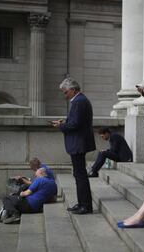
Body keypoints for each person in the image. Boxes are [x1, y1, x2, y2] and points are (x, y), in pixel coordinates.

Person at [52, 77, 96, 215]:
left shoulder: (78, 101)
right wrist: (65, 122)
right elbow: (76, 121)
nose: (64, 95)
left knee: (80, 175)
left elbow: (75, 124)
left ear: (73, 90)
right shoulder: (80, 100)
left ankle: (85, 206)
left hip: (78, 143)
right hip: (79, 142)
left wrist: (61, 125)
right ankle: (82, 203)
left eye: (65, 92)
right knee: (79, 175)